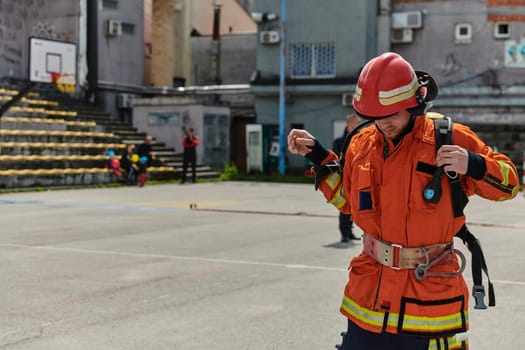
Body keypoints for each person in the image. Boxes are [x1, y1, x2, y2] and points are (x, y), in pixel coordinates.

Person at [287, 52, 519, 350]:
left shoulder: (448, 137)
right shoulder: (360, 144)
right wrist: (318, 155)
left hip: (430, 302)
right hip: (369, 299)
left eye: (391, 114)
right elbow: (347, 200)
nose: (383, 123)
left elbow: (510, 184)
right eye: (375, 116)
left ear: (414, 104)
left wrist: (472, 163)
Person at [332, 114, 361, 242]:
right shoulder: (339, 141)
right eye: (355, 123)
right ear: (348, 124)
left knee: (355, 207)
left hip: (359, 178)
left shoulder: (362, 139)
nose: (357, 126)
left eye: (358, 123)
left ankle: (350, 231)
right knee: (345, 207)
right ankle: (344, 233)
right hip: (345, 178)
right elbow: (336, 159)